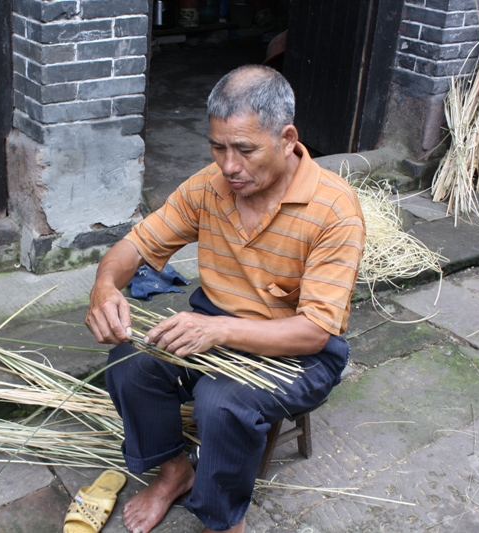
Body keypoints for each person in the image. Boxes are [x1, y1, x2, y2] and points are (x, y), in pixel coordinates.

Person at [85, 65, 365, 533]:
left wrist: (217, 329)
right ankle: (175, 471)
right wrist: (104, 286)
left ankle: (221, 518)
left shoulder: (334, 208)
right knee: (127, 361)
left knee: (221, 402)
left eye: (245, 149)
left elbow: (315, 331)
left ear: (287, 137)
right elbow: (133, 247)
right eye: (218, 147)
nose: (229, 165)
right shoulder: (207, 188)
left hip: (302, 352)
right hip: (215, 324)